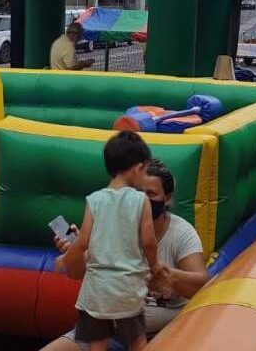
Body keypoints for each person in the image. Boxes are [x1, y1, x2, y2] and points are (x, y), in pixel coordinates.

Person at [44, 160, 211, 351]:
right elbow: (79, 274)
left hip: (162, 335)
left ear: (168, 198)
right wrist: (77, 251)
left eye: (151, 194)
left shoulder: (180, 233)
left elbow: (204, 286)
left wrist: (165, 275)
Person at [55, 131, 167, 351]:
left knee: (98, 343)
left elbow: (83, 241)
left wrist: (66, 259)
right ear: (138, 168)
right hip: (127, 288)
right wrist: (155, 266)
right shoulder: (140, 200)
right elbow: (148, 241)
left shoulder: (94, 200)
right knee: (137, 341)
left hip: (97, 291)